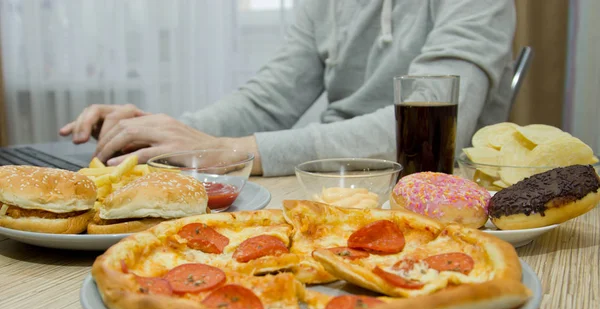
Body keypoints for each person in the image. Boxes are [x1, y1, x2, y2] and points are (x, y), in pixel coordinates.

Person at [60, 0, 516, 176]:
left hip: (435, 187)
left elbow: (419, 129)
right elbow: (268, 100)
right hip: (333, 185)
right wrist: (161, 131)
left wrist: (233, 150)